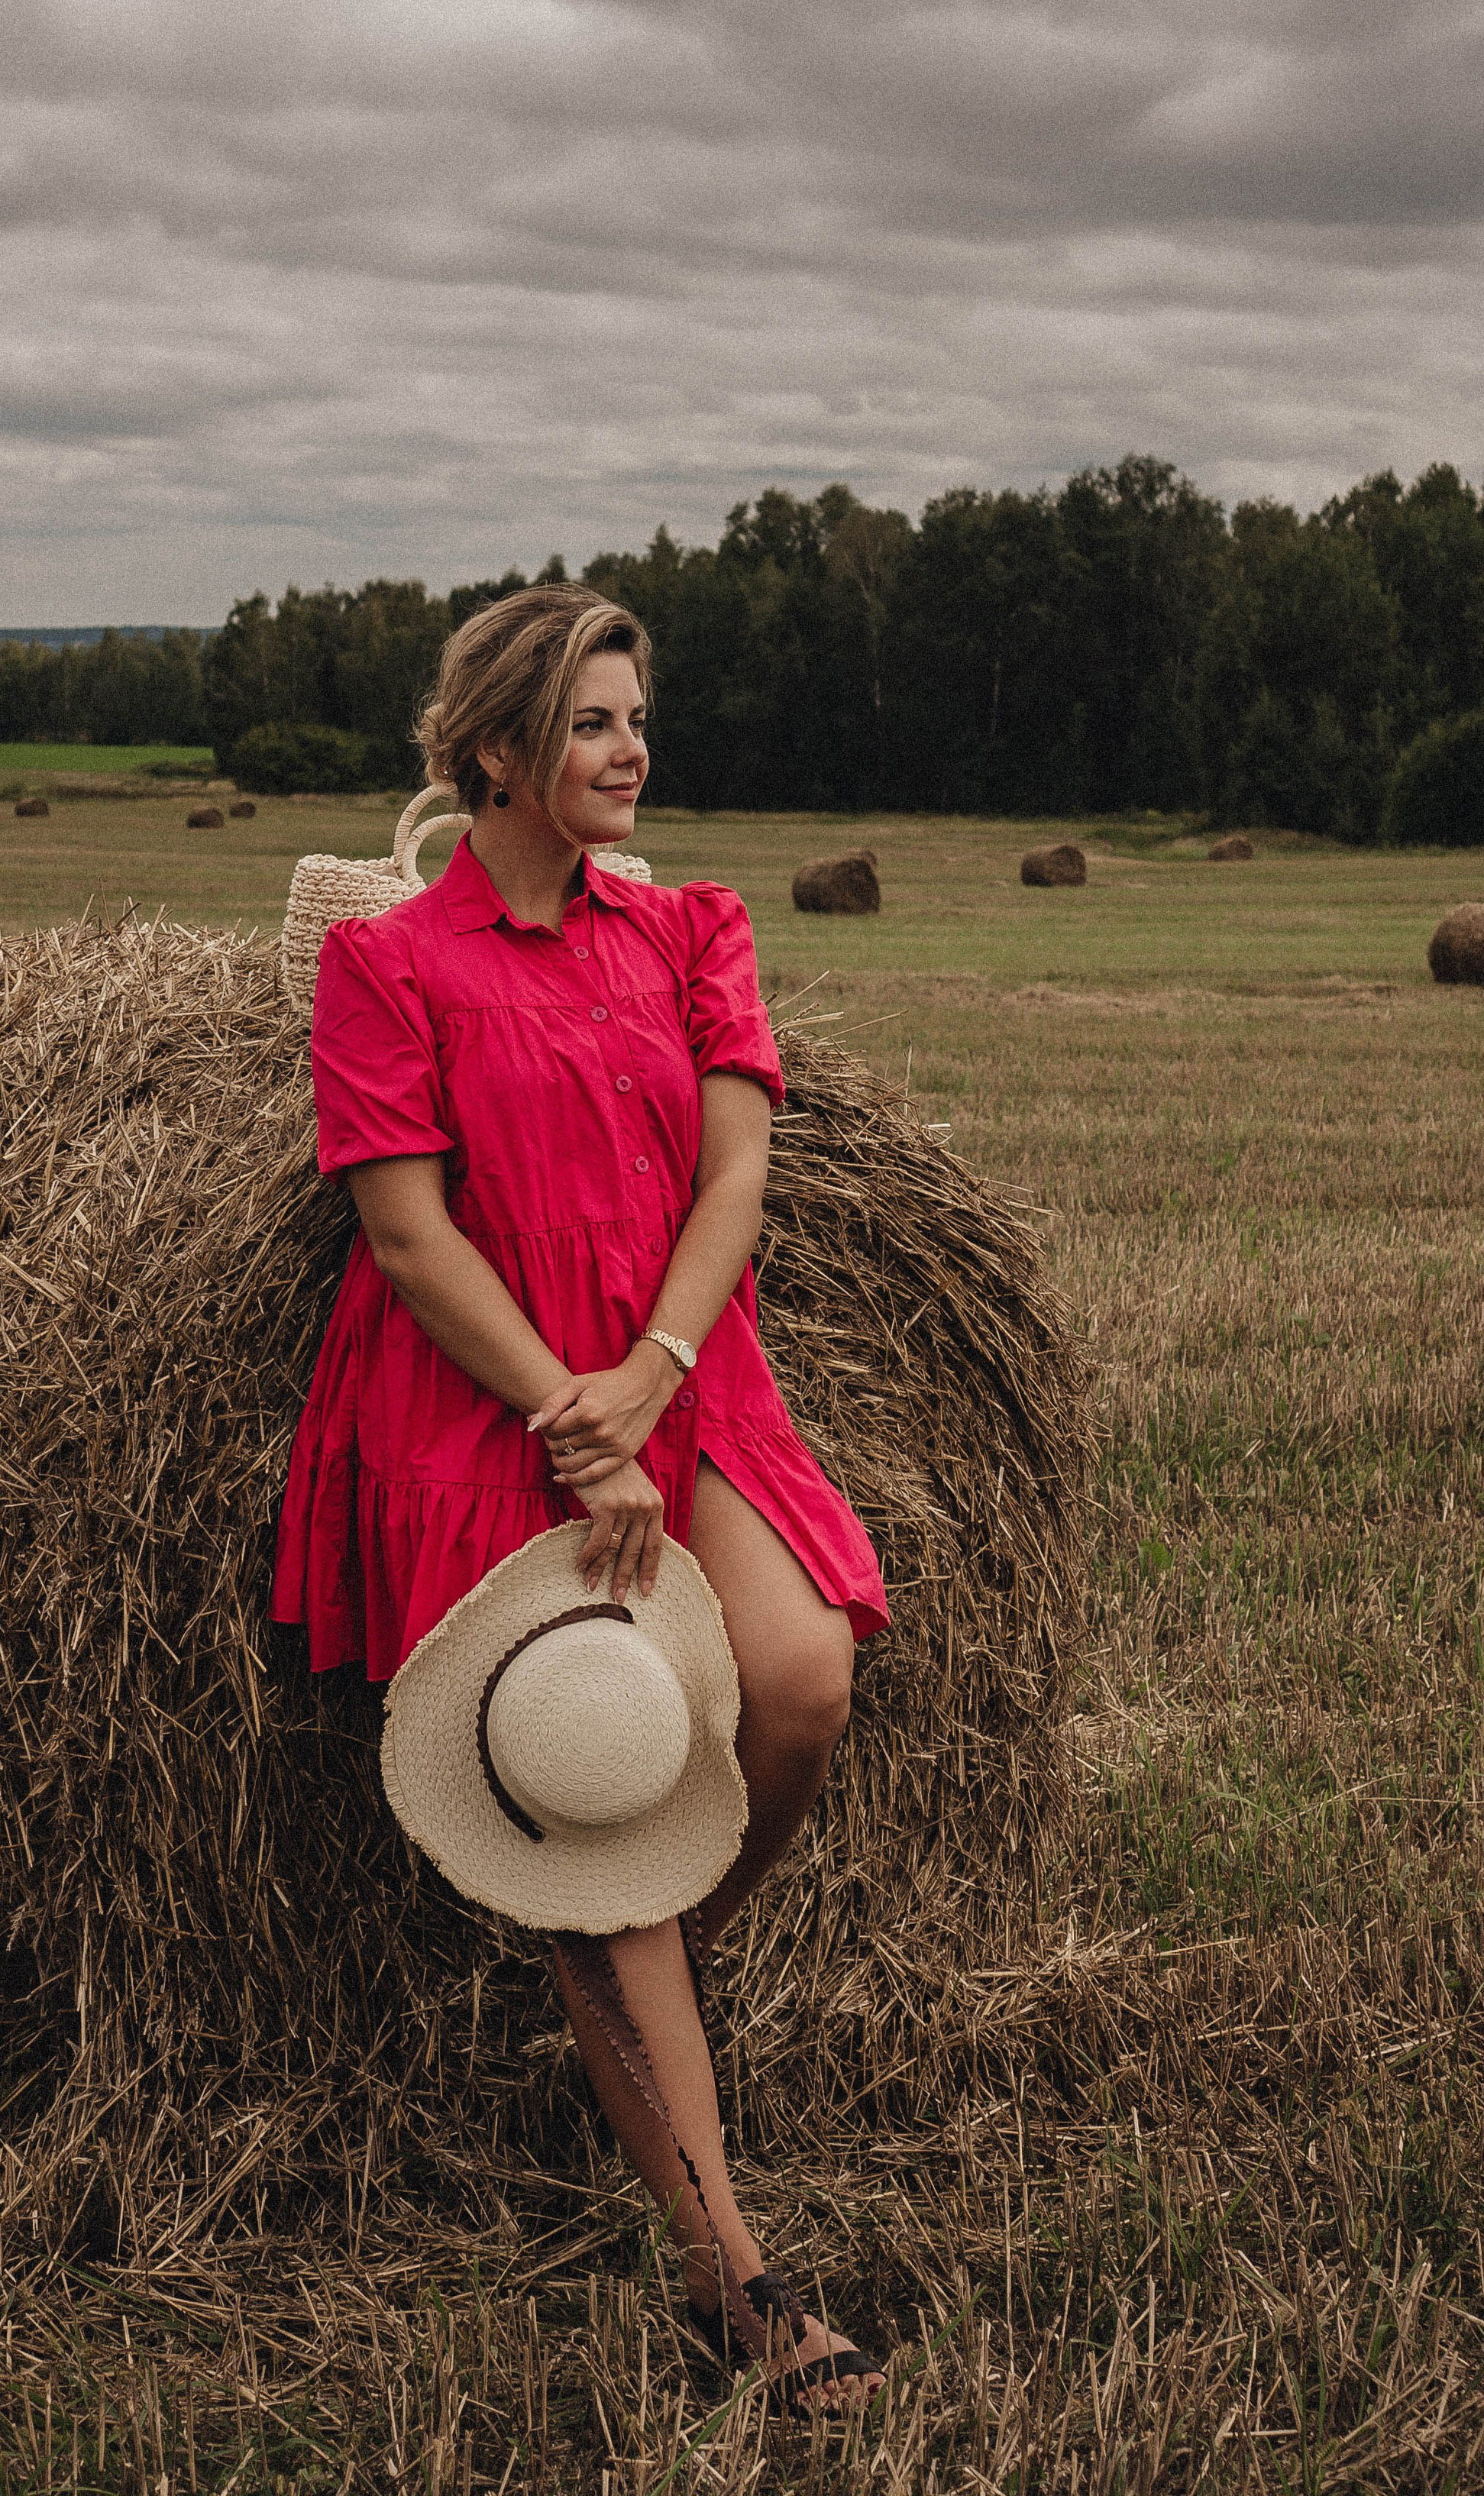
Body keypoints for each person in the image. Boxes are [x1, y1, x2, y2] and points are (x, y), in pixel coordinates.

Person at [273, 583, 888, 2409]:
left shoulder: (691, 928)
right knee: (606, 1771)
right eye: (599, 726)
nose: (637, 752)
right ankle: (744, 2289)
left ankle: (638, 1985)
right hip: (489, 1406)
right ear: (495, 756)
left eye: (636, 719)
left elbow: (733, 1178)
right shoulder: (389, 965)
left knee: (796, 1684)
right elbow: (403, 1230)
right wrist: (569, 1413)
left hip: (682, 1373)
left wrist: (659, 1374)